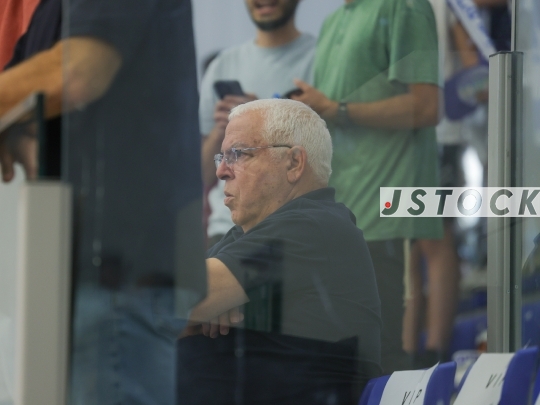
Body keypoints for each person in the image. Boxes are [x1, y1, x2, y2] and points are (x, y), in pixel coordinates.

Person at [0, 0, 206, 404]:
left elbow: (77, 71)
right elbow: (19, 92)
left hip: (120, 280)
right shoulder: (48, 13)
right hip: (64, 278)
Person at [178, 99, 381, 405]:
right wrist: (203, 304)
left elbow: (184, 295)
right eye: (222, 156)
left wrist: (205, 301)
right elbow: (175, 307)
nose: (220, 171)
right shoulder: (244, 234)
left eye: (238, 154)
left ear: (294, 163)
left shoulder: (314, 226)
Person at [292, 0, 442, 373]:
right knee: (346, 360)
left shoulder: (405, 6)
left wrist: (337, 109)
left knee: (381, 353)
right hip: (339, 212)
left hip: (385, 212)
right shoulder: (334, 21)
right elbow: (328, 113)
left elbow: (426, 107)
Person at [199, 0, 315, 247]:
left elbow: (326, 159)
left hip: (297, 229)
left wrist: (256, 119)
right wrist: (223, 130)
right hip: (227, 230)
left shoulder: (321, 59)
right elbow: (204, 173)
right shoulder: (223, 64)